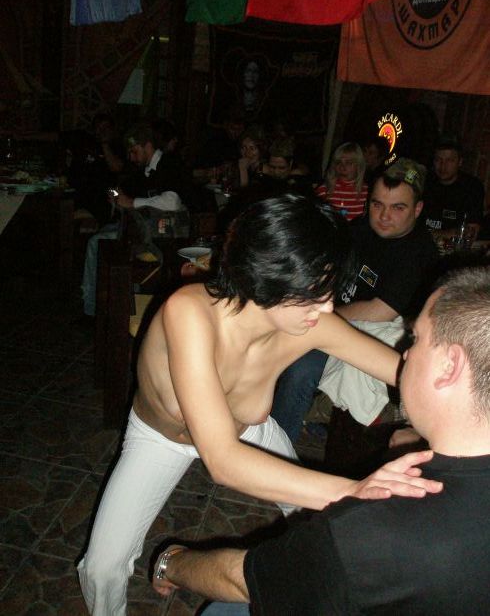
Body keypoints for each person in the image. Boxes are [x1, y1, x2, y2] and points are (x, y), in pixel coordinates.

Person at [78, 194, 442, 615]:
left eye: (328, 290)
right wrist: (354, 491)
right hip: (164, 441)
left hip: (247, 431)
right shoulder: (190, 313)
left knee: (324, 524)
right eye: (314, 292)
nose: (327, 306)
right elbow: (224, 462)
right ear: (266, 277)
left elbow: (403, 374)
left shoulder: (312, 323)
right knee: (102, 569)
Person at [152, 266, 490, 616]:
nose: (405, 352)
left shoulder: (371, 531)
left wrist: (172, 562)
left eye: (415, 339)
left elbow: (243, 579)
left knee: (225, 609)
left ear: (450, 367)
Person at [272, 158, 438, 442]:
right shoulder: (361, 229)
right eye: (377, 204)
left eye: (398, 207)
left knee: (302, 368)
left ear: (418, 209)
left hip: (371, 334)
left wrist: (316, 317)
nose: (384, 215)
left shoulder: (418, 252)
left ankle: (275, 445)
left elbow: (380, 311)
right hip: (333, 316)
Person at [80, 122, 187, 318]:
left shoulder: (170, 164)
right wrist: (114, 195)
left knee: (97, 243)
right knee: (100, 240)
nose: (130, 157)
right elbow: (117, 188)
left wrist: (131, 202)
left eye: (134, 151)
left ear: (148, 146)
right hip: (140, 230)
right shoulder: (140, 169)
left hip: (165, 235)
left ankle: (97, 311)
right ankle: (101, 309)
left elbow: (172, 201)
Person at [422, 134, 484, 237]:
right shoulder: (425, 181)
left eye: (449, 160)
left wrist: (436, 235)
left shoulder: (472, 187)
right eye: (438, 160)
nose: (443, 166)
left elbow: (471, 230)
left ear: (460, 162)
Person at [315, 142, 368, 221]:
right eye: (338, 162)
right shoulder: (324, 190)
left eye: (348, 163)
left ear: (358, 166)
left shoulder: (367, 193)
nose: (342, 167)